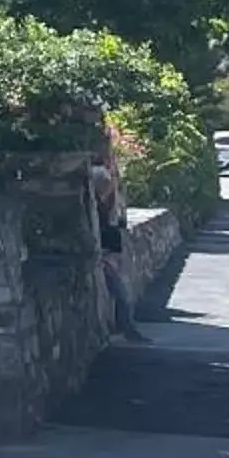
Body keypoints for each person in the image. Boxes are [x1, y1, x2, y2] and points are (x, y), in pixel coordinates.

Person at [90, 143, 149, 344]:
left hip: (107, 246)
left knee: (120, 293)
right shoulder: (100, 177)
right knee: (122, 294)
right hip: (106, 249)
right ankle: (126, 330)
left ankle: (122, 328)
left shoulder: (100, 181)